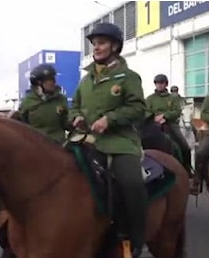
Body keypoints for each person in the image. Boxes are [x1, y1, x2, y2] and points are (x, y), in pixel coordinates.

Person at [68, 22, 147, 257]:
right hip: (86, 139)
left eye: (101, 43)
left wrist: (109, 119)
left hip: (119, 142)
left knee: (131, 183)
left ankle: (134, 239)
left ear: (114, 46)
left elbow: (138, 108)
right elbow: (75, 107)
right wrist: (77, 117)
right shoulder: (85, 80)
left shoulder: (128, 77)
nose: (96, 48)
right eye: (94, 44)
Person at [9, 64, 70, 144]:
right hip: (36, 147)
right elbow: (21, 126)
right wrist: (13, 119)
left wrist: (76, 123)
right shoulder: (28, 101)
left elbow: (67, 123)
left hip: (58, 147)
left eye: (54, 78)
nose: (54, 81)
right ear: (39, 82)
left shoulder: (60, 99)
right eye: (50, 79)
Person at [146, 74, 192, 173]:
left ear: (166, 84)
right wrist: (153, 118)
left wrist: (164, 116)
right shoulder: (150, 99)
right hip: (153, 125)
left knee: (184, 146)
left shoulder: (173, 98)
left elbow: (176, 111)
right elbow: (145, 111)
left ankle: (187, 168)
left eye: (161, 83)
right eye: (157, 83)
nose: (159, 85)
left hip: (170, 125)